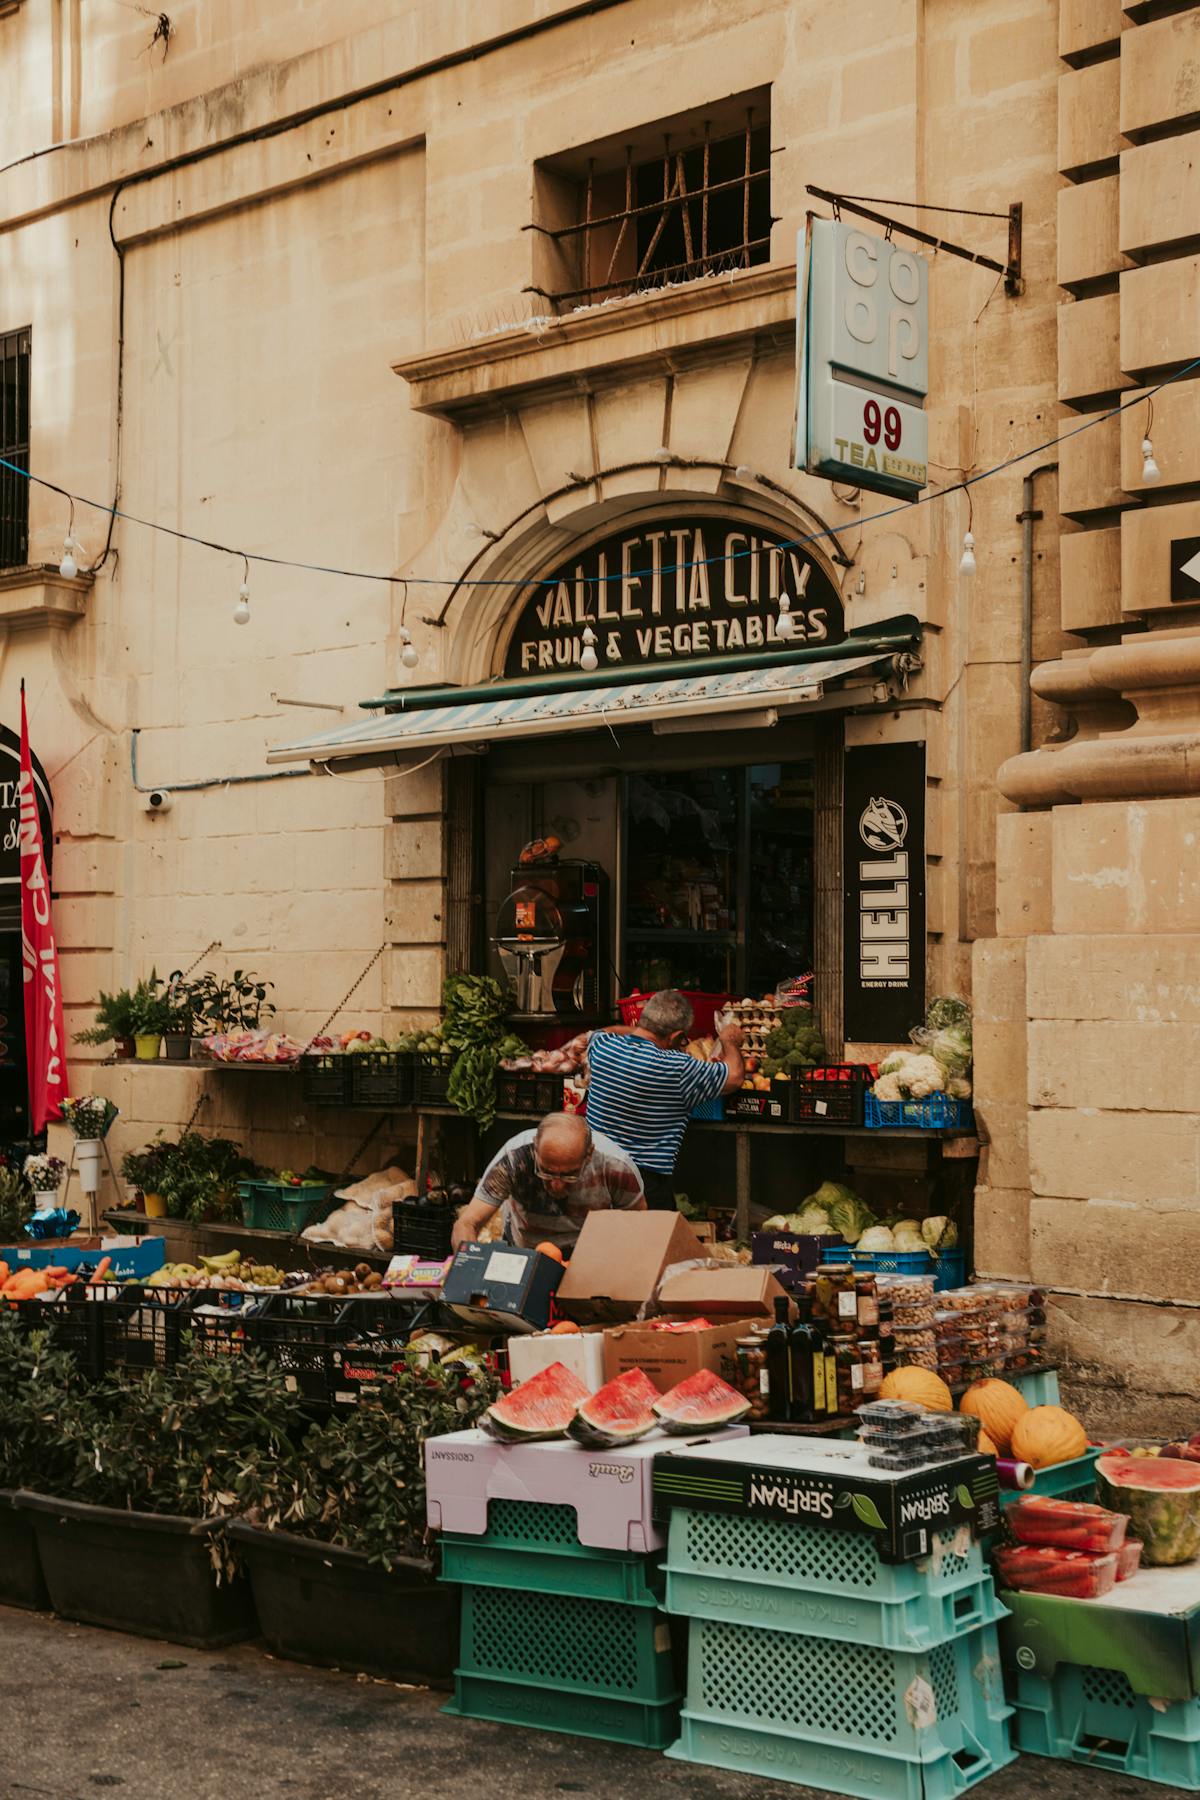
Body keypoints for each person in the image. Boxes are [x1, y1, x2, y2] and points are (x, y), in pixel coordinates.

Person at [584, 989, 744, 1210]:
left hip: (594, 1174)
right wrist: (729, 1041)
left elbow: (600, 1032)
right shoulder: (677, 1067)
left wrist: (638, 1030)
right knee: (651, 1243)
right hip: (644, 1183)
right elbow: (734, 1078)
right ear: (677, 1037)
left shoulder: (602, 1047)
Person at [451, 1111, 645, 1254]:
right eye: (547, 1172)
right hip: (525, 1252)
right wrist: (468, 1261)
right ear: (535, 1149)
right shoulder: (514, 1158)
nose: (557, 1185)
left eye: (570, 1174)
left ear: (589, 1154)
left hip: (590, 1259)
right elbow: (467, 1223)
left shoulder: (616, 1167)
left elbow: (640, 1228)